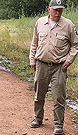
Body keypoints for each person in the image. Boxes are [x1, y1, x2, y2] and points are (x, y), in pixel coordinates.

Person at [29, 0, 78, 134]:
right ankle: (37, 119)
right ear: (49, 9)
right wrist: (32, 60)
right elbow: (34, 43)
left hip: (59, 67)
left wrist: (69, 60)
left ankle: (58, 126)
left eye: (60, 9)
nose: (58, 12)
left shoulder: (68, 25)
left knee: (59, 97)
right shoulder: (40, 22)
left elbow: (75, 45)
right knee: (39, 94)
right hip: (41, 64)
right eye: (55, 9)